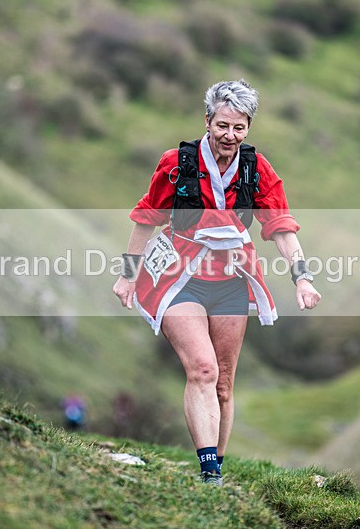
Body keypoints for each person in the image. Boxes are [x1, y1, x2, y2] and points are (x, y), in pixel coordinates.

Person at [113, 79, 321, 486]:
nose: (230, 135)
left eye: (239, 128)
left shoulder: (257, 170)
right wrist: (127, 275)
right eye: (222, 125)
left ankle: (217, 470)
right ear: (207, 121)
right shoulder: (177, 163)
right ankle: (209, 472)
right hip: (179, 279)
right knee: (203, 369)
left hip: (230, 281)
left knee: (224, 384)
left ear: (248, 128)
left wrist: (303, 279)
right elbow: (147, 217)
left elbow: (280, 227)